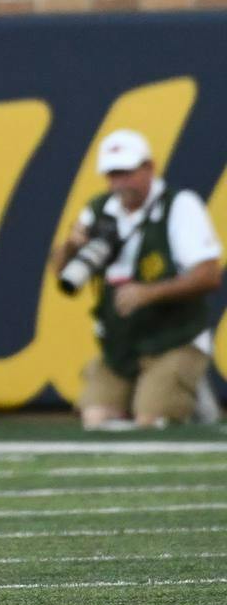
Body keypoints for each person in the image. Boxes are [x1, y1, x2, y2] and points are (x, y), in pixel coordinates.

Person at [55, 129, 223, 430]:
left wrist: (149, 293)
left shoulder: (179, 206)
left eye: (127, 172)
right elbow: (64, 278)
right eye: (113, 174)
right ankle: (158, 390)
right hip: (120, 346)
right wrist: (70, 246)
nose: (120, 183)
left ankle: (190, 392)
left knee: (151, 422)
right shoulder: (98, 210)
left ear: (149, 167)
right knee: (95, 420)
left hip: (174, 339)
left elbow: (209, 276)